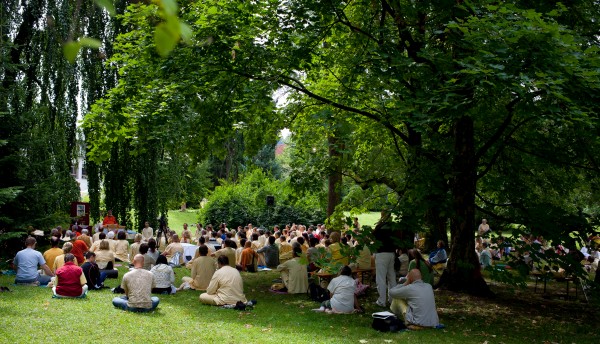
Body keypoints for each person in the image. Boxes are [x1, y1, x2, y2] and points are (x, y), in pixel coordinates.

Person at [373, 211, 397, 307]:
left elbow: (373, 238)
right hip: (392, 253)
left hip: (382, 254)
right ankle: (392, 300)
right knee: (392, 277)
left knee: (381, 278)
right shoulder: (393, 227)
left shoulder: (379, 227)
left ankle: (382, 301)